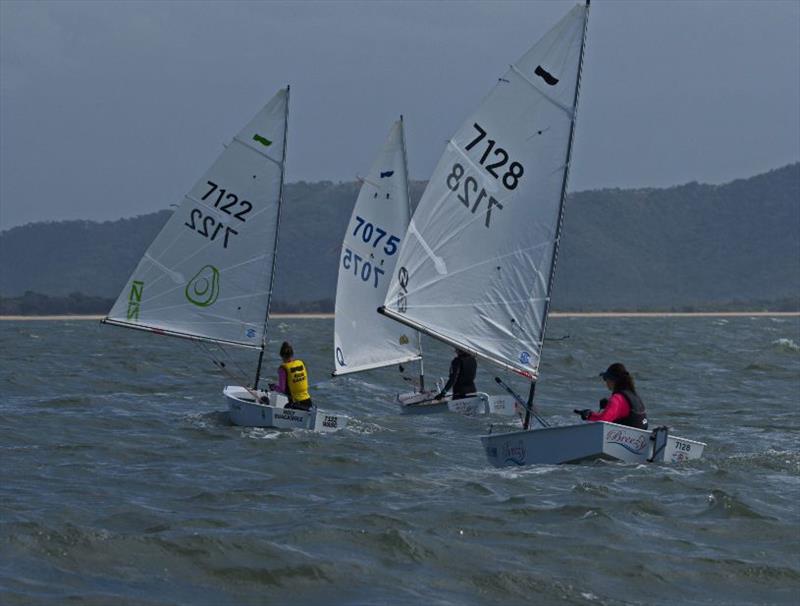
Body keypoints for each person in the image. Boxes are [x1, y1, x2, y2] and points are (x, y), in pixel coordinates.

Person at [574, 362, 648, 429]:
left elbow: (603, 420)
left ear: (612, 380)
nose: (605, 382)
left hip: (624, 439)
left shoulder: (617, 398)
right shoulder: (635, 396)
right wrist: (608, 406)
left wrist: (589, 415)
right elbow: (625, 412)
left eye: (605, 378)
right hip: (640, 438)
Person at [268, 341, 313, 411]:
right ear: (292, 354)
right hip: (309, 403)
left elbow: (282, 389)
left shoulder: (283, 369)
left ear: (281, 356)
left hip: (296, 404)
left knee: (286, 407)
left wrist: (273, 387)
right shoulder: (301, 363)